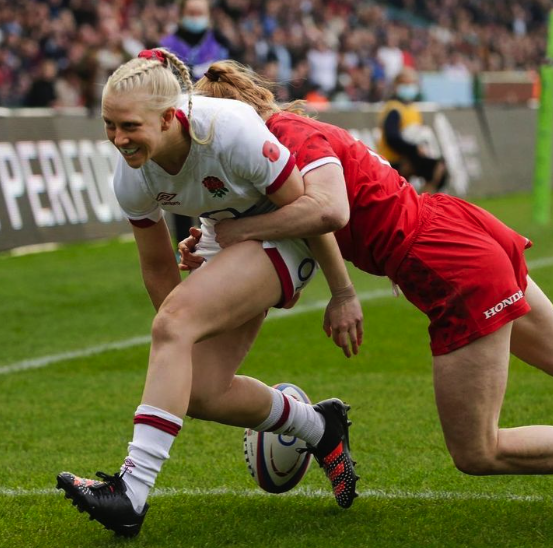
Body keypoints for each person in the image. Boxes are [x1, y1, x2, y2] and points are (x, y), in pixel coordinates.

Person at [181, 59, 553, 501]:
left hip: (448, 263)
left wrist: (326, 282)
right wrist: (211, 243)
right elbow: (286, 232)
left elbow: (326, 211)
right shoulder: (280, 138)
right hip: (455, 229)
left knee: (478, 450)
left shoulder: (288, 137)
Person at [55, 49, 362, 538]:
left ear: (169, 116)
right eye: (108, 125)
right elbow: (157, 267)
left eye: (129, 125)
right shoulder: (130, 174)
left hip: (287, 234)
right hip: (226, 235)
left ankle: (130, 492)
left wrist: (342, 291)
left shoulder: (228, 132)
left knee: (175, 323)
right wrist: (185, 334)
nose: (118, 138)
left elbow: (311, 211)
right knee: (202, 391)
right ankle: (318, 427)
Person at [160, 0, 241, 245]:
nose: (195, 17)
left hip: (218, 126)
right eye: (191, 13)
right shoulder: (166, 47)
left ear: (208, 16)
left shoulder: (222, 45)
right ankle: (185, 244)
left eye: (200, 13)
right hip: (179, 126)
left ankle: (223, 239)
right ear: (182, 15)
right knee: (180, 184)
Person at [376, 67, 448, 194]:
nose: (409, 87)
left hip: (410, 156)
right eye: (405, 84)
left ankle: (423, 201)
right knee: (436, 168)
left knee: (439, 169)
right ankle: (420, 203)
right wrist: (414, 149)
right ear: (397, 85)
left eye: (412, 84)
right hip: (393, 160)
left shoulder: (413, 109)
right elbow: (392, 138)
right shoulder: (394, 108)